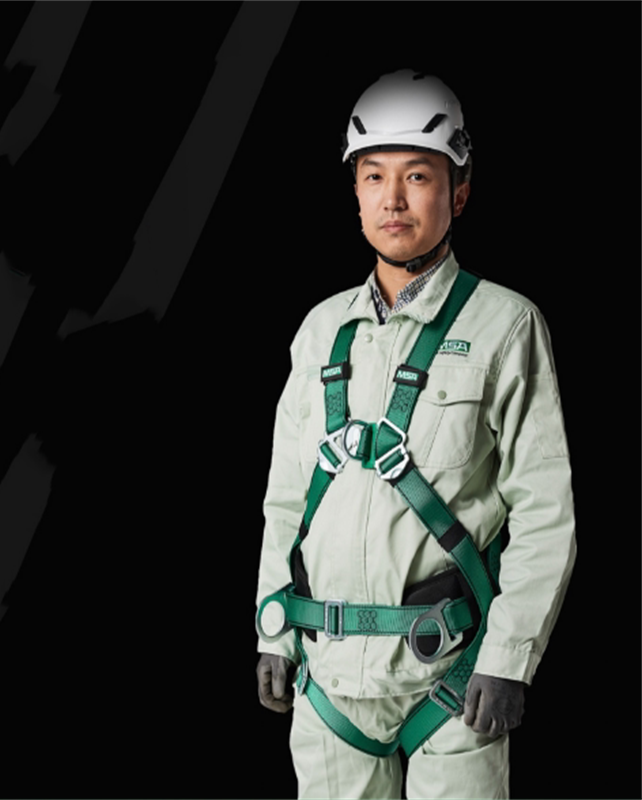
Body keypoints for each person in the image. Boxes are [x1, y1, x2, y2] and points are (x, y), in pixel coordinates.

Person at [254, 68, 576, 800]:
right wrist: (273, 630)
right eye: (374, 176)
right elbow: (286, 502)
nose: (393, 199)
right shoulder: (321, 331)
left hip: (451, 678)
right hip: (328, 680)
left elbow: (546, 512)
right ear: (355, 191)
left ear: (459, 192)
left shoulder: (505, 326)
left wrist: (509, 657)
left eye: (418, 176)